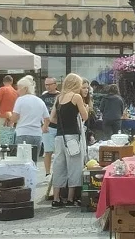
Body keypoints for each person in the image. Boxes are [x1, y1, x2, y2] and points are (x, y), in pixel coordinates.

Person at [50, 73, 90, 208]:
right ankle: (70, 199)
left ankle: (56, 198)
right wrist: (87, 109)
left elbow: (52, 119)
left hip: (59, 136)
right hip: (72, 136)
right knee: (74, 166)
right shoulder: (76, 97)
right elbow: (85, 116)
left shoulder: (58, 98)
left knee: (59, 166)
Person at [12, 76, 50, 164]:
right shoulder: (39, 101)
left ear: (25, 89)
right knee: (33, 162)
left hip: (23, 133)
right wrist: (43, 128)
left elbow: (14, 118)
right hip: (37, 134)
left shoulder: (20, 100)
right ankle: (33, 177)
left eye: (18, 88)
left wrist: (9, 115)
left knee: (22, 162)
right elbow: (47, 119)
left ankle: (24, 177)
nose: (17, 91)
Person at [40, 77, 60, 175]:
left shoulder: (61, 96)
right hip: (48, 127)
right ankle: (47, 173)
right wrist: (42, 125)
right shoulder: (42, 98)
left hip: (60, 127)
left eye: (50, 84)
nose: (47, 86)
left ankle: (58, 172)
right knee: (48, 151)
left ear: (55, 85)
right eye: (46, 85)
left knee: (59, 152)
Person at [0, 75, 18, 143]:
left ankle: (3, 149)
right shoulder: (16, 92)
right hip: (11, 117)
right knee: (8, 136)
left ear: (3, 82)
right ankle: (8, 150)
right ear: (11, 82)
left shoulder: (2, 89)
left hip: (1, 115)